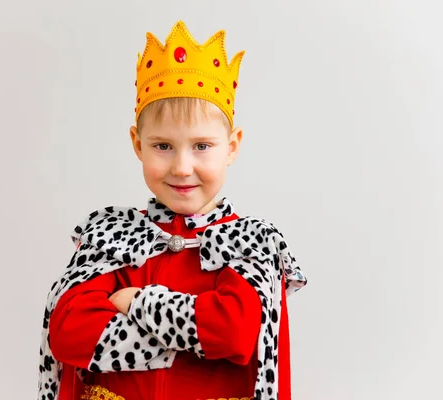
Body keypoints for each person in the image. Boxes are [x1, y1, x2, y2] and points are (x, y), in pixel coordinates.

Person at [37, 20, 307, 400]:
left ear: (231, 146)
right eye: (163, 146)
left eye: (202, 146)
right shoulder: (112, 237)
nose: (182, 167)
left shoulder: (252, 242)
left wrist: (139, 302)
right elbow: (68, 332)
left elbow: (235, 332)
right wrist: (193, 338)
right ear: (138, 144)